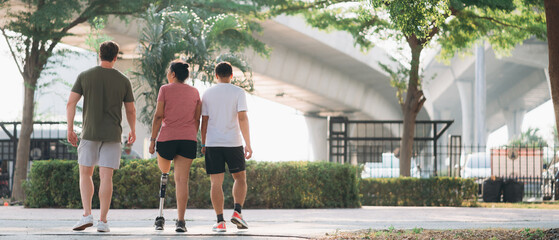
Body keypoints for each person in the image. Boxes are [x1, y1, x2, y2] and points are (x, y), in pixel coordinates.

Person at [67, 41, 136, 232]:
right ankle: (103, 221)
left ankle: (87, 214)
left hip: (89, 133)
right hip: (113, 134)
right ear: (115, 57)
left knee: (85, 174)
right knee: (106, 177)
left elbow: (70, 103)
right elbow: (130, 110)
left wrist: (70, 129)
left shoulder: (85, 76)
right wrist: (132, 130)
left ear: (99, 55)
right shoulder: (123, 80)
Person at [148, 60, 201, 232]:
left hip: (167, 138)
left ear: (172, 74)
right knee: (182, 181)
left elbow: (158, 116)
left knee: (165, 174)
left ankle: (160, 218)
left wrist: (152, 139)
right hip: (188, 139)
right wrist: (190, 134)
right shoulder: (195, 92)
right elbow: (196, 119)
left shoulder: (165, 89)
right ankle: (180, 221)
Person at [201, 62, 252, 232]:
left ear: (216, 76)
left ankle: (220, 221)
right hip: (233, 142)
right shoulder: (238, 92)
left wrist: (203, 142)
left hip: (213, 143)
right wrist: (248, 144)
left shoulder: (207, 93)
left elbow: (205, 120)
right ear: (231, 75)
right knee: (240, 178)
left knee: (216, 183)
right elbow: (242, 118)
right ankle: (237, 212)